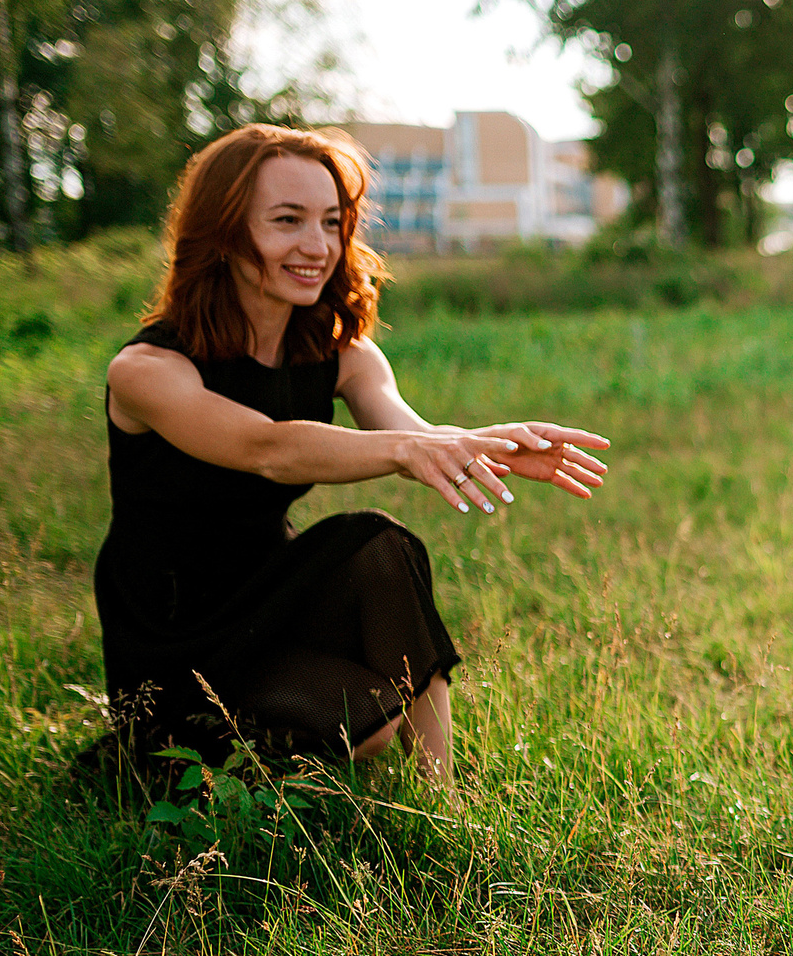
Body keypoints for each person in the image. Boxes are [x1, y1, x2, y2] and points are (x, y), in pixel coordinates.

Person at [98, 123, 610, 778]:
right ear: (223, 231)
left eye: (333, 223)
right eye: (287, 220)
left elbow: (406, 428)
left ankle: (443, 797)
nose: (317, 246)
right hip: (172, 635)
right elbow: (267, 449)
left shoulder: (341, 353)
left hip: (272, 598)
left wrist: (491, 446)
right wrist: (404, 451)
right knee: (360, 728)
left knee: (380, 545)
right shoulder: (148, 369)